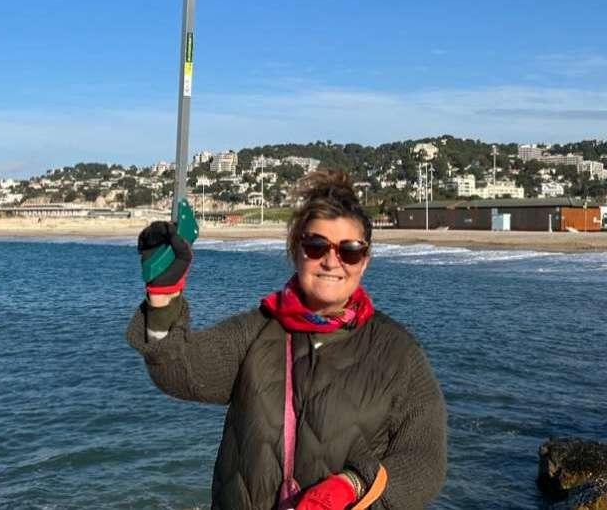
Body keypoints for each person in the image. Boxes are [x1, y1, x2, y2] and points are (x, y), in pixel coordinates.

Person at [127, 170, 447, 509]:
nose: (331, 261)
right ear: (296, 251)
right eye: (315, 246)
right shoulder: (255, 331)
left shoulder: (398, 354)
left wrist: (353, 486)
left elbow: (425, 462)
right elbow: (180, 371)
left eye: (350, 251)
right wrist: (162, 297)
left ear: (364, 262)